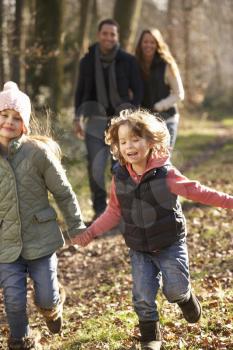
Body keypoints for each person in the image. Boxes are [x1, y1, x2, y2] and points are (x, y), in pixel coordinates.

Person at [72, 109, 233, 350]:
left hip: (169, 242)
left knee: (175, 289)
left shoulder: (165, 174)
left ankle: (185, 298)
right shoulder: (119, 177)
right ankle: (150, 337)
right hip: (139, 247)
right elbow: (114, 211)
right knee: (142, 296)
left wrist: (228, 202)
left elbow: (198, 191)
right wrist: (91, 232)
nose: (129, 146)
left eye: (135, 139)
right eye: (123, 141)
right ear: (117, 146)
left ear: (150, 141)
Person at [0, 81, 86, 350]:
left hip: (41, 238)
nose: (9, 122)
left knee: (46, 297)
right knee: (13, 300)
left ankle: (54, 308)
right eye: (4, 115)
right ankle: (21, 341)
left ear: (25, 125)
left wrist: (76, 226)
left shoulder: (37, 153)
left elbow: (62, 191)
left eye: (17, 118)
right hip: (5, 242)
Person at [74, 18, 143, 220]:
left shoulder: (128, 61)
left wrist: (133, 116)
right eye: (105, 33)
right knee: (95, 165)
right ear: (98, 35)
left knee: (122, 166)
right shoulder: (87, 61)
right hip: (94, 119)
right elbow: (79, 92)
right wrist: (77, 117)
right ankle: (99, 210)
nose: (108, 37)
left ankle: (123, 208)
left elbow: (138, 89)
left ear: (117, 37)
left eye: (112, 34)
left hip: (121, 121)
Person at [135, 28, 184, 148]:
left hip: (167, 119)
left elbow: (179, 94)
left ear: (157, 44)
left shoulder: (167, 64)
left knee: (163, 160)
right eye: (145, 42)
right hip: (144, 122)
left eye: (152, 42)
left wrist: (159, 106)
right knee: (147, 163)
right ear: (140, 44)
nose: (148, 45)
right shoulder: (134, 64)